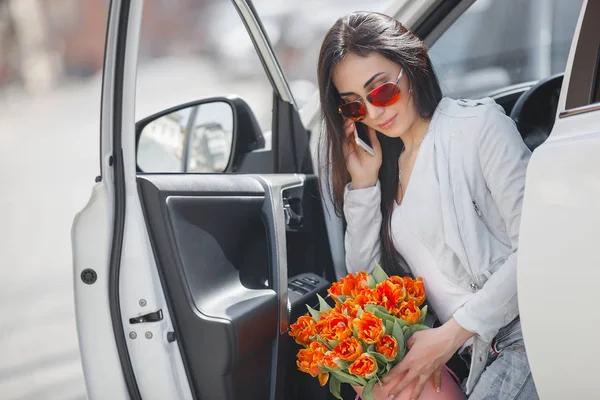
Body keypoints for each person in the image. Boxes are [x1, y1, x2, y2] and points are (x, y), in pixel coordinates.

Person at [316, 11, 539, 400]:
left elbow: (536, 251)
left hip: (524, 336)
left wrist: (449, 337)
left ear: (412, 66)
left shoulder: (478, 128)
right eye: (354, 106)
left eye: (382, 92)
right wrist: (364, 184)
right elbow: (369, 286)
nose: (374, 113)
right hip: (466, 356)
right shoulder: (385, 170)